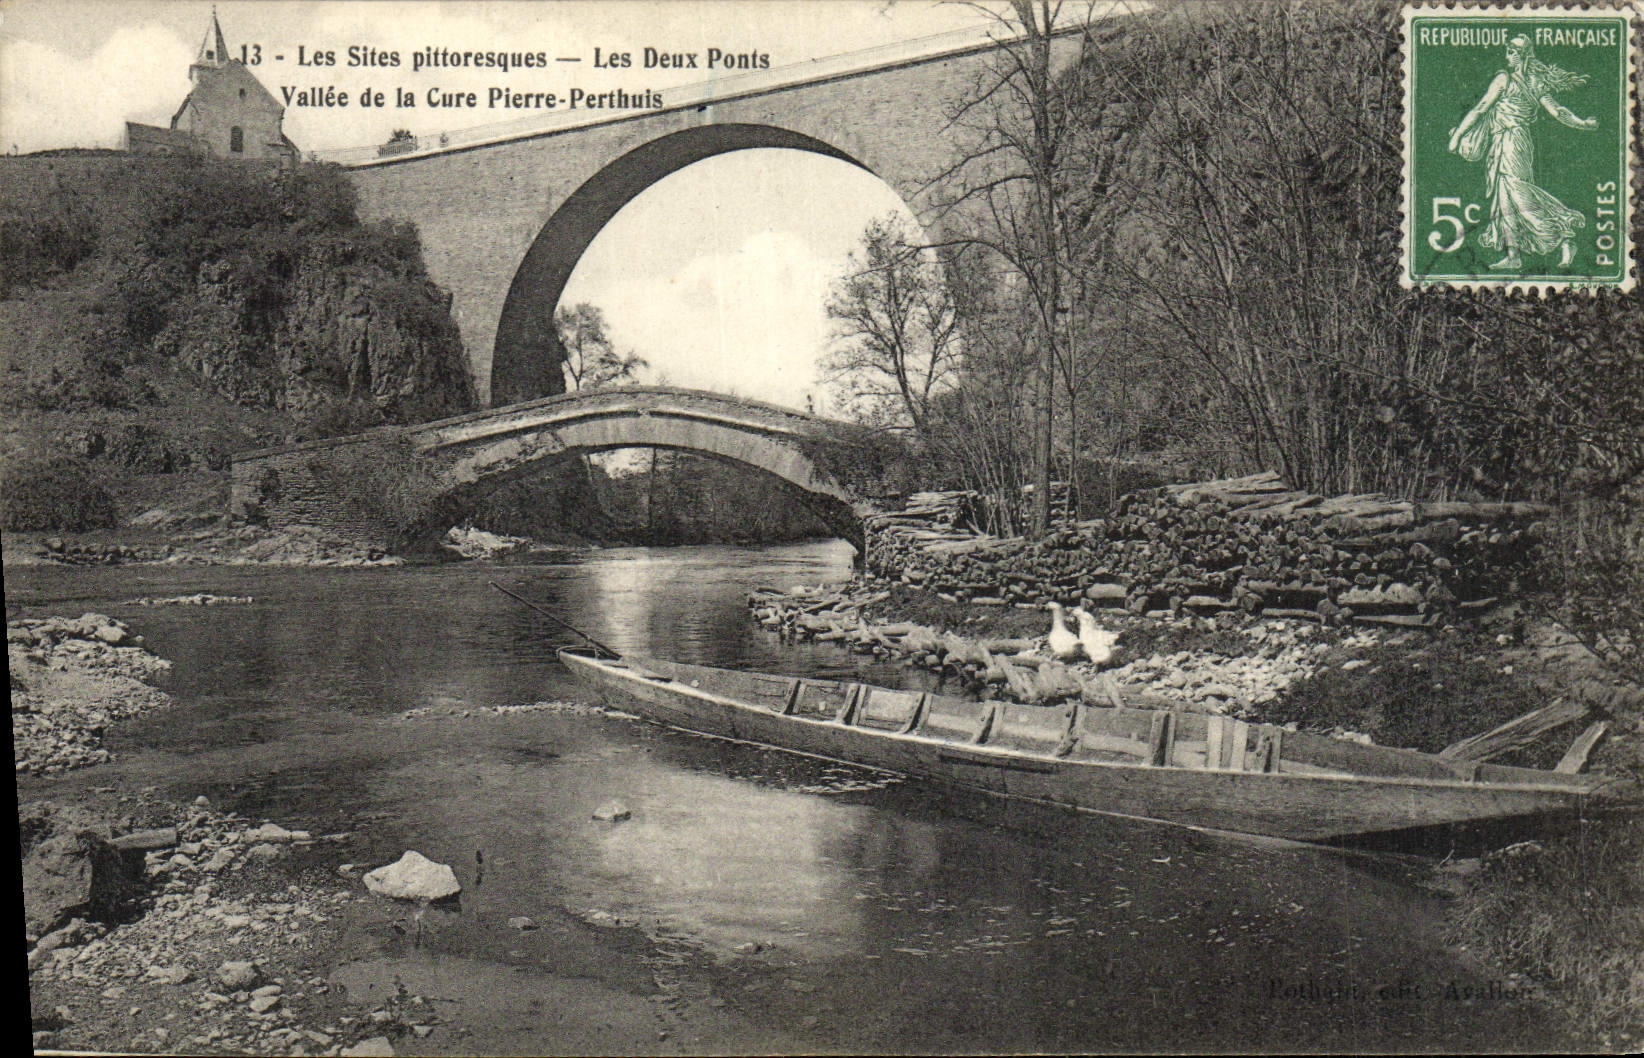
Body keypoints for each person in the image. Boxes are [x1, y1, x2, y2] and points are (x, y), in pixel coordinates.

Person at [1447, 35, 1597, 270]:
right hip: (1510, 142)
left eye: (1510, 51)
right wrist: (1582, 123)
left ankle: (1564, 236)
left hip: (1511, 142)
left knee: (1518, 194)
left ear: (1519, 55)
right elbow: (1558, 111)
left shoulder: (1503, 79)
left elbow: (1481, 108)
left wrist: (1457, 136)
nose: (1506, 55)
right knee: (1505, 198)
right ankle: (1513, 255)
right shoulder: (1535, 82)